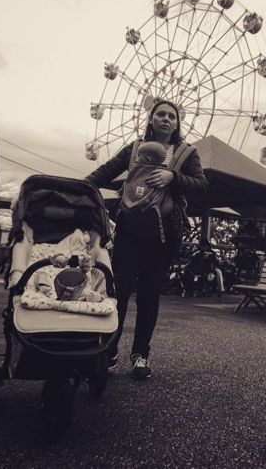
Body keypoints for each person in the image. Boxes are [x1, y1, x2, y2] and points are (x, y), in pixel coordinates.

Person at [85, 99, 209, 380]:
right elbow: (107, 170)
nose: (165, 119)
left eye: (171, 116)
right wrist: (81, 185)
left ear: (177, 123)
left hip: (163, 235)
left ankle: (140, 354)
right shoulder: (134, 148)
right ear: (151, 120)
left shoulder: (187, 153)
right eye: (160, 114)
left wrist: (173, 177)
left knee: (149, 296)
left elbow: (201, 185)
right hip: (130, 229)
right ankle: (109, 349)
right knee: (117, 292)